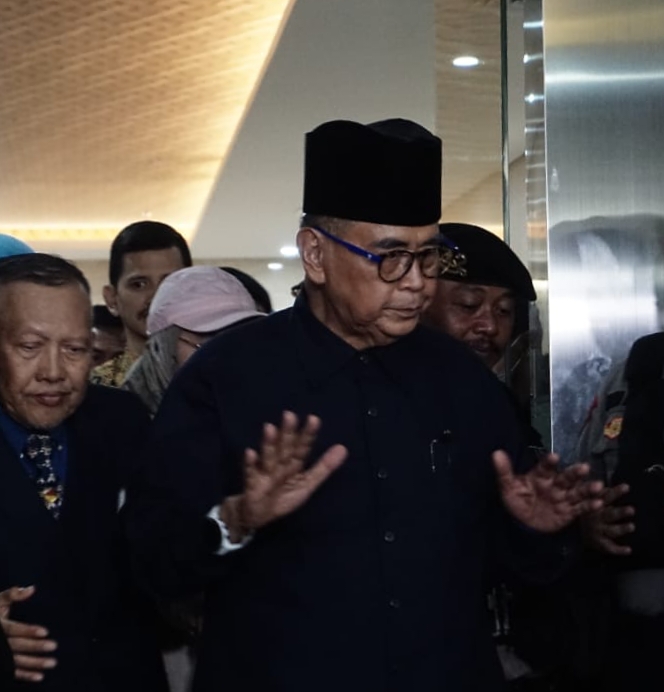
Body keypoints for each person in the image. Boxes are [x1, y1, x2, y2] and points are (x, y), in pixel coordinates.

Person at [125, 118, 603, 692]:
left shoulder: (464, 383)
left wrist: (535, 530)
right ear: (315, 254)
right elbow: (152, 562)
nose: (417, 283)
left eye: (429, 256)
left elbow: (513, 568)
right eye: (391, 256)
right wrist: (236, 519)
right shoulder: (225, 380)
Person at [0, 253, 167, 691]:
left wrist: (235, 519)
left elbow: (164, 552)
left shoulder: (122, 420)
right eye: (30, 347)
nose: (54, 372)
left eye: (74, 350)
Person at [124, 265, 264, 416]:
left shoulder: (263, 412)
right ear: (163, 348)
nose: (225, 358)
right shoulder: (122, 418)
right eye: (206, 343)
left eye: (236, 343)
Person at [91, 220, 192, 387]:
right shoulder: (94, 389)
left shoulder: (220, 377)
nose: (156, 298)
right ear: (112, 299)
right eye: (139, 285)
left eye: (169, 283)